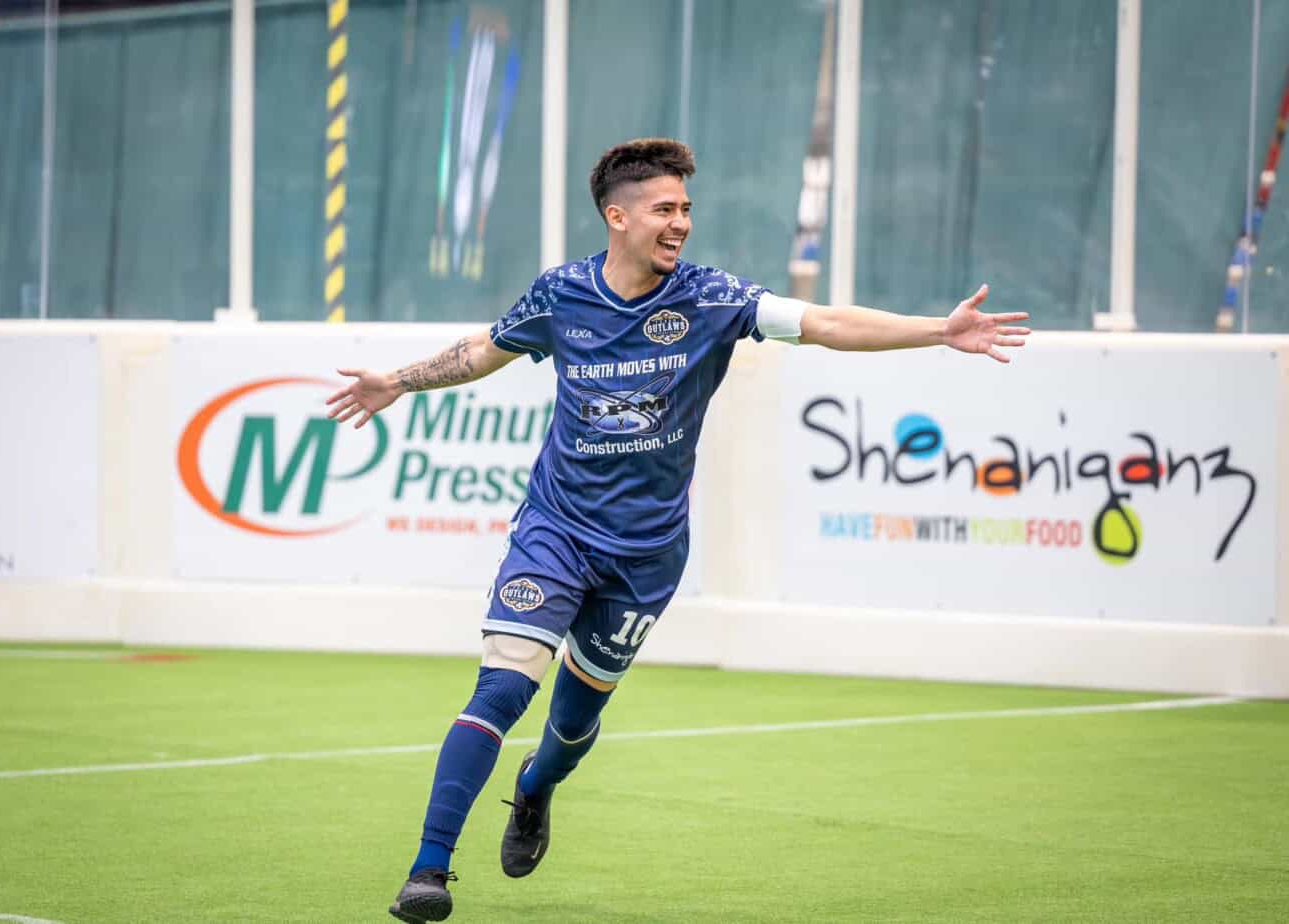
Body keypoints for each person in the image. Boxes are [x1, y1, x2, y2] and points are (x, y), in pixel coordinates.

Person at [325, 138, 1031, 923]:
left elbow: (826, 322)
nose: (681, 223)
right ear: (616, 216)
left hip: (647, 556)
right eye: (665, 209)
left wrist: (937, 330)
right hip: (555, 532)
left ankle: (535, 789)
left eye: (686, 209)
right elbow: (483, 351)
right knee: (502, 686)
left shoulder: (711, 297)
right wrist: (399, 379)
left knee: (570, 725)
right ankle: (429, 871)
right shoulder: (562, 294)